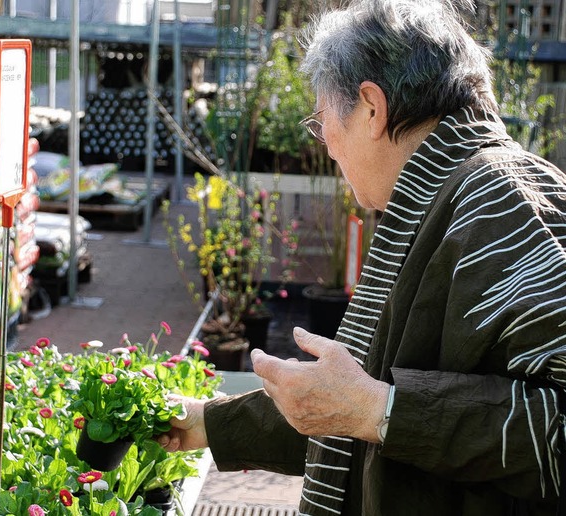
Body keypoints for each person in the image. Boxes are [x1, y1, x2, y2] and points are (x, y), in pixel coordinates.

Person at [157, 0, 566, 514]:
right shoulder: (445, 196)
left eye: (322, 118)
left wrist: (380, 410)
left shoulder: (505, 201)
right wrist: (205, 423)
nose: (326, 145)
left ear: (372, 108)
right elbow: (354, 405)